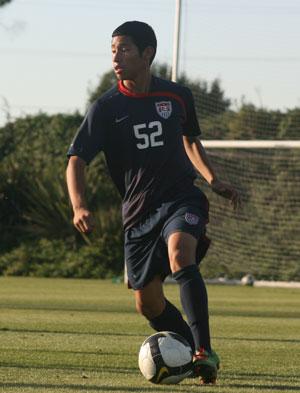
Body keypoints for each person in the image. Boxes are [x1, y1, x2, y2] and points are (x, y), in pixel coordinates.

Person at [66, 21, 240, 385]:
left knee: (181, 254)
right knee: (148, 304)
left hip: (181, 197)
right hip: (139, 215)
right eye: (113, 49)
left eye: (124, 49)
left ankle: (204, 352)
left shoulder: (177, 96)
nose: (116, 57)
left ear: (148, 54)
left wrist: (212, 179)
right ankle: (192, 350)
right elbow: (76, 159)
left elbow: (191, 140)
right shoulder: (106, 108)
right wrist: (79, 205)